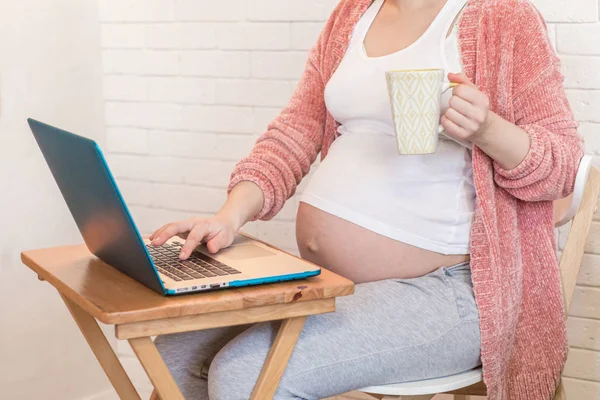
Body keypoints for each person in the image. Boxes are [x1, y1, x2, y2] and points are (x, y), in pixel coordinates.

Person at [149, 0, 584, 398]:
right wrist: (229, 217)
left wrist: (487, 129)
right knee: (176, 351)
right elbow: (294, 132)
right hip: (331, 284)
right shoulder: (352, 13)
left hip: (447, 294)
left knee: (246, 374)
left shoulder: (502, 17)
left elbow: (563, 167)